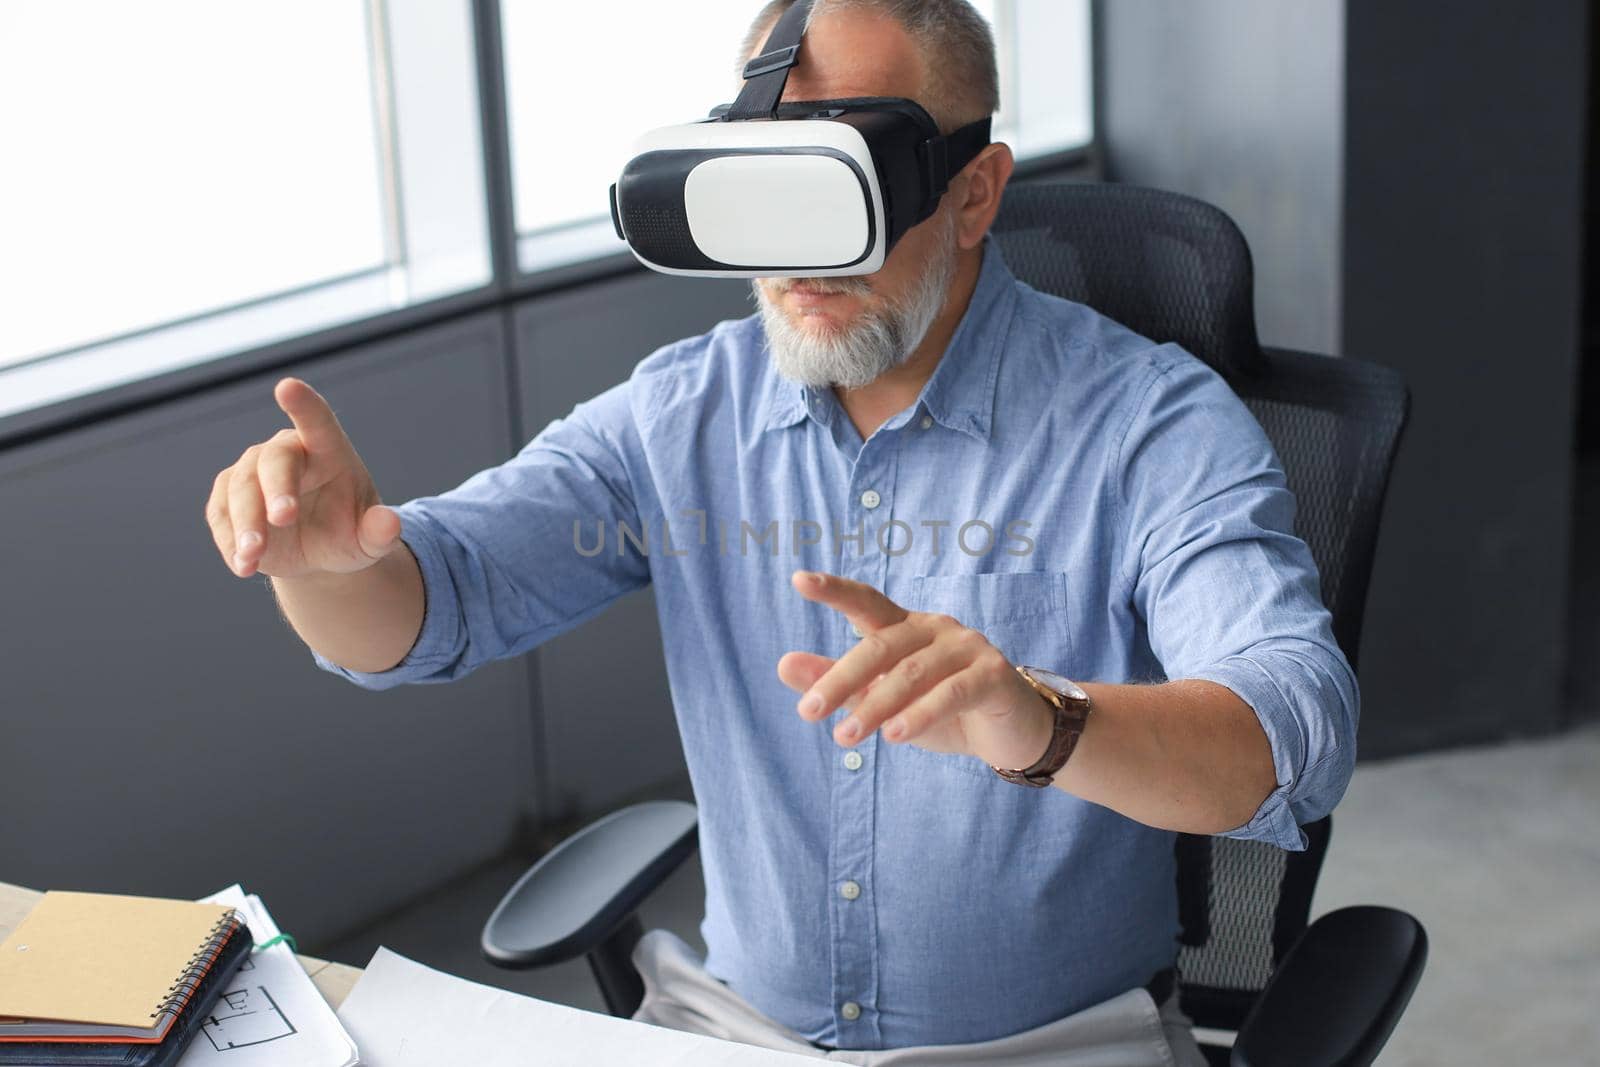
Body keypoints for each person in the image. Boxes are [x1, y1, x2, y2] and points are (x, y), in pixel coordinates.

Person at [203, 2, 1356, 1063]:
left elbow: (1292, 724)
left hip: (1046, 1044)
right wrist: (324, 562)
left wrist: (1039, 720)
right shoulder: (680, 411)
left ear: (971, 190)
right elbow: (435, 599)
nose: (800, 256)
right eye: (768, 187)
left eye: (842, 184)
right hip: (733, 1032)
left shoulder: (1147, 424)